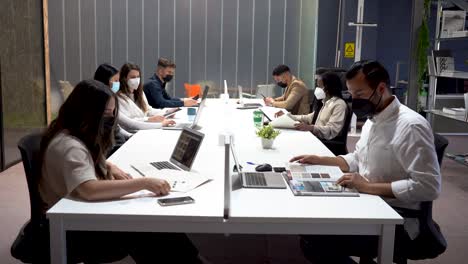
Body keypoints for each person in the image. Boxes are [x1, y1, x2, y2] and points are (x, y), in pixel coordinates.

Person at [290, 61, 441, 263]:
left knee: (315, 240)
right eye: (352, 94)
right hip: (368, 202)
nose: (354, 100)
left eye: (360, 94)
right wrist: (321, 160)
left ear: (381, 88)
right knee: (311, 222)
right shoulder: (373, 120)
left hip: (396, 217)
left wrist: (369, 187)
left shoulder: (411, 126)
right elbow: (358, 158)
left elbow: (428, 187)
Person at [39, 79, 201, 263]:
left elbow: (80, 164)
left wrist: (108, 165)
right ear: (88, 112)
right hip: (75, 227)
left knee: (157, 228)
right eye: (107, 114)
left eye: (113, 113)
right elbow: (88, 190)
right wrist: (144, 182)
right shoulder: (70, 146)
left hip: (79, 213)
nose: (110, 119)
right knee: (150, 228)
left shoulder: (70, 133)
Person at [279, 71, 347, 140]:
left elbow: (332, 130)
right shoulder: (325, 102)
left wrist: (311, 127)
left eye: (320, 86)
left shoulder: (339, 104)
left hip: (324, 143)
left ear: (329, 87)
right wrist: (288, 116)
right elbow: (309, 117)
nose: (317, 89)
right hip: (315, 138)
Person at [116, 62, 175, 132]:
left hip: (145, 128)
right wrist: (149, 119)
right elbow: (129, 122)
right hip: (133, 131)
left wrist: (166, 112)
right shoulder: (119, 97)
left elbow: (148, 110)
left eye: (138, 77)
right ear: (124, 78)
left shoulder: (139, 92)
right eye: (133, 77)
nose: (136, 80)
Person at [94, 63, 132, 156]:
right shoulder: (98, 101)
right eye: (115, 80)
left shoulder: (113, 97)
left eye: (118, 80)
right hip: (112, 151)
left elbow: (116, 127)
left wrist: (131, 137)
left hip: (120, 147)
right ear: (105, 81)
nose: (118, 83)